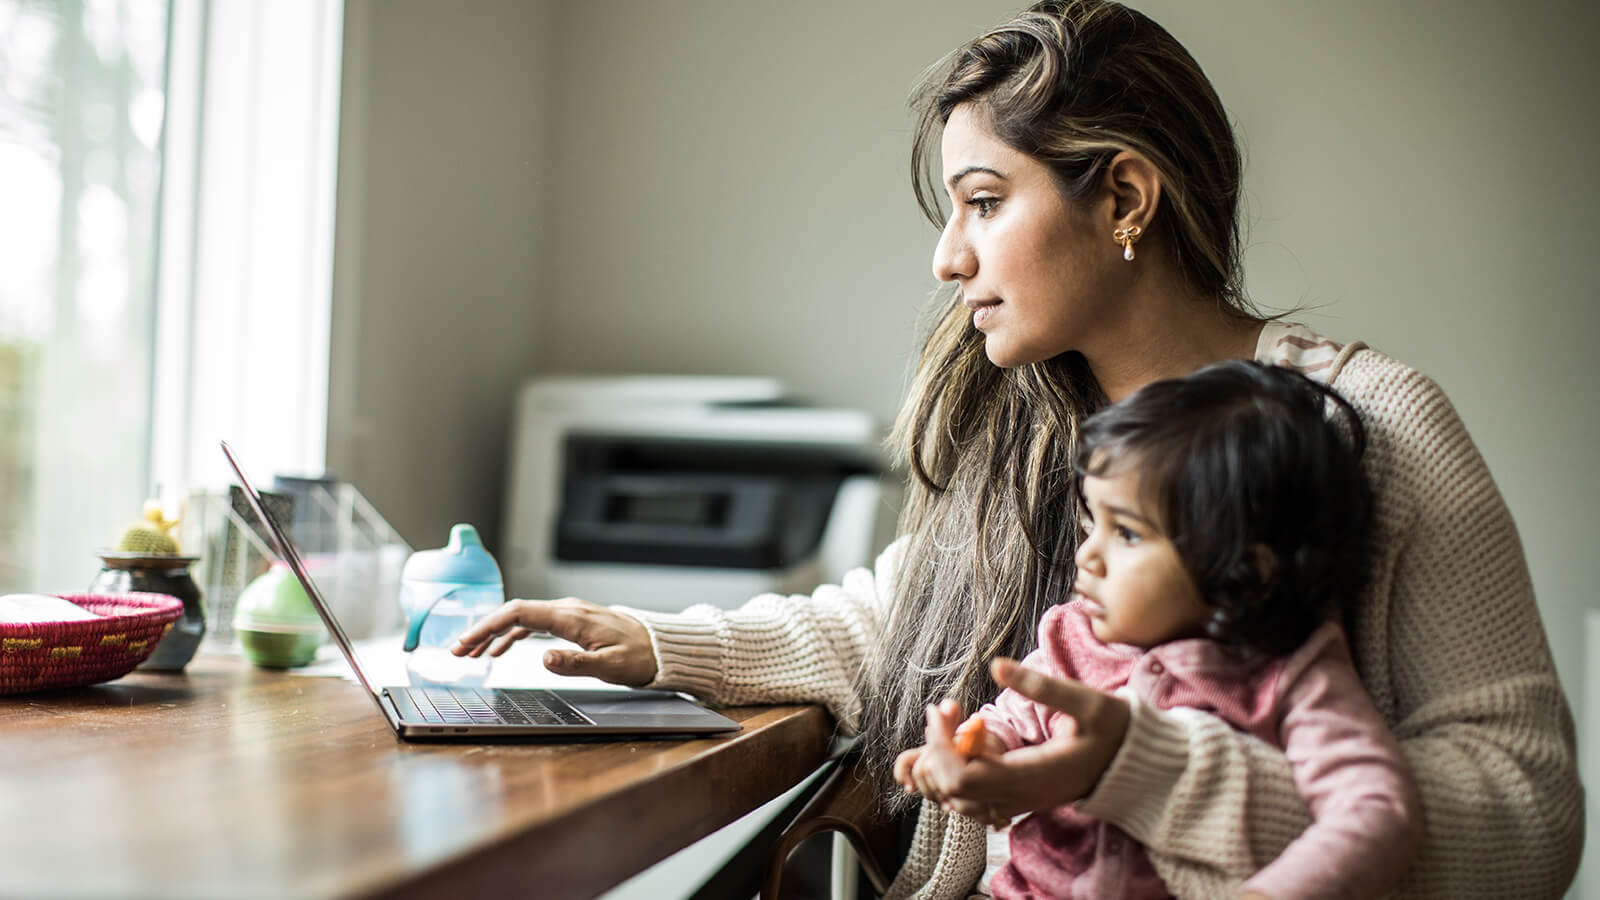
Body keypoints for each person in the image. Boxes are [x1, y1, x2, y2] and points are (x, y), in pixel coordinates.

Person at [453, 1, 1582, 896]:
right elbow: (898, 629)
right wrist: (648, 645)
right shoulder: (1023, 425)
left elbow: (1527, 816)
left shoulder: (1371, 427)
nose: (947, 258)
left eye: (983, 201)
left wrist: (1142, 775)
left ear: (1125, 198)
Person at [894, 359, 1423, 899]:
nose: (1087, 556)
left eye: (1125, 532)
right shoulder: (1072, 639)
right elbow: (1006, 721)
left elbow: (1375, 809)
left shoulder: (1293, 672)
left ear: (1247, 570)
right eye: (1089, 522)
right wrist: (971, 753)